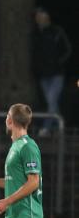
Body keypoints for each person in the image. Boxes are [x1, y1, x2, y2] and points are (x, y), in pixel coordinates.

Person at [32, 7, 72, 136]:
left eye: (41, 16)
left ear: (47, 17)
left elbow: (68, 49)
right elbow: (35, 54)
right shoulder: (36, 33)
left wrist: (58, 62)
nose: (39, 19)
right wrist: (36, 68)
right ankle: (61, 128)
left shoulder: (57, 31)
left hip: (57, 74)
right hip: (43, 75)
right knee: (52, 103)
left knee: (51, 100)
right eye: (37, 17)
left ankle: (46, 128)